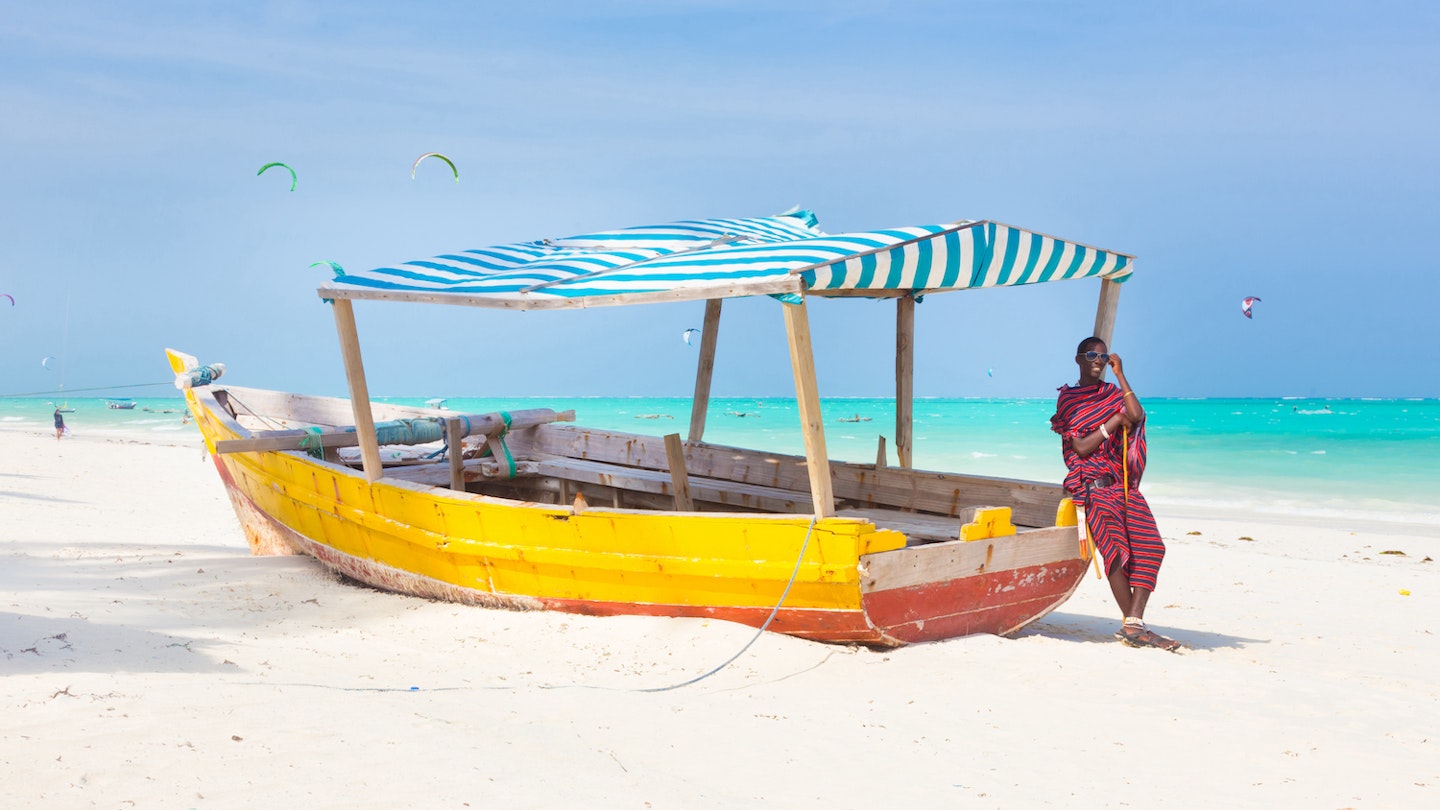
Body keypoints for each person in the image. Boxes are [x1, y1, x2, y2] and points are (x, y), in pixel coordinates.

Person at [1051, 336, 1180, 651]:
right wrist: (1111, 424)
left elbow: (1136, 415)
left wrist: (1120, 375)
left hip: (1123, 486)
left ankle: (1133, 623)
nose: (1098, 359)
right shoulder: (1068, 400)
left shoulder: (1111, 392)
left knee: (1153, 547)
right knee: (1117, 554)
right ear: (1078, 359)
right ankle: (1135, 626)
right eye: (1092, 354)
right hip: (1093, 489)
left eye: (1103, 355)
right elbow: (1080, 447)